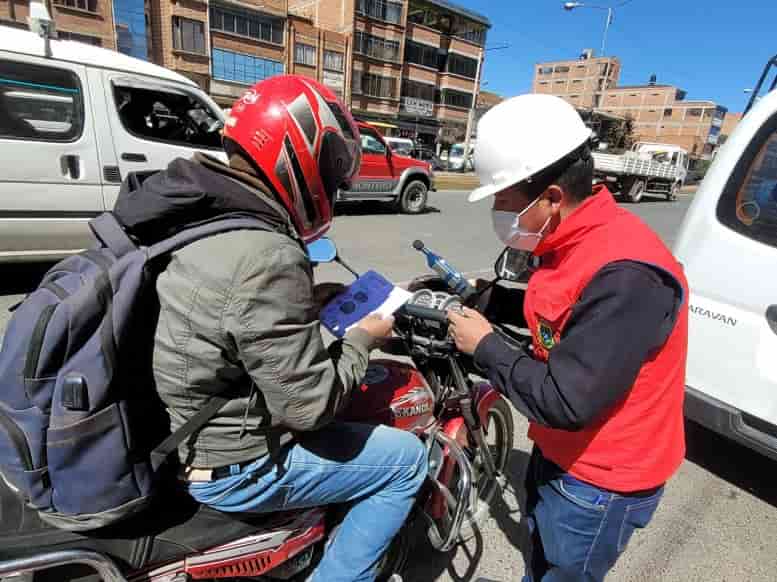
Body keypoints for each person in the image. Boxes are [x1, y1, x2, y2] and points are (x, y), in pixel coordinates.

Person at [112, 76, 427, 582]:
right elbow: (308, 409)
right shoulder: (268, 251)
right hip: (231, 465)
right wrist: (364, 339)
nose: (334, 187)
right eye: (331, 170)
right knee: (406, 461)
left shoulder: (200, 214)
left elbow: (226, 311)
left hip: (176, 424)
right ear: (297, 154)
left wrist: (305, 302)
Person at [446, 94, 688, 582]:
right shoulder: (576, 239)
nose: (498, 210)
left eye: (505, 200)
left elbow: (566, 401)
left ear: (553, 198)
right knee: (539, 562)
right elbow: (566, 319)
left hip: (600, 480)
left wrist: (486, 345)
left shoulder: (628, 274)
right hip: (561, 452)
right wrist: (488, 303)